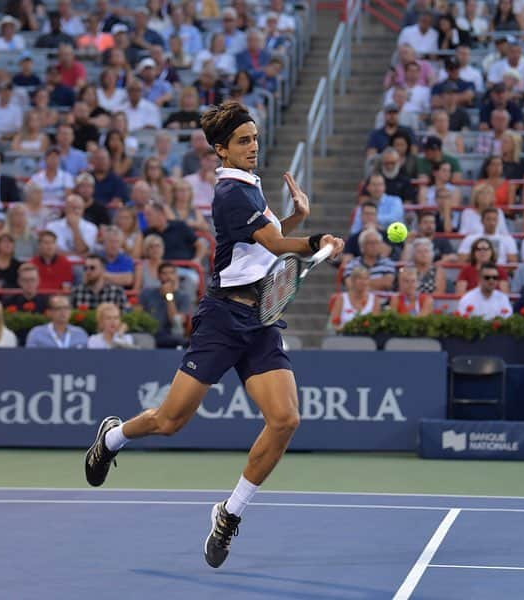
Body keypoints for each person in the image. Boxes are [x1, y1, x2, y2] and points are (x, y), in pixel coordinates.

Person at [84, 102, 345, 569]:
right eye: (243, 141)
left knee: (285, 420)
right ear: (221, 149)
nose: (253, 147)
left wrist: (298, 221)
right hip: (224, 318)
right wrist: (317, 240)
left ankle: (229, 514)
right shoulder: (230, 193)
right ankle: (114, 437)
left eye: (255, 139)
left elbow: (262, 244)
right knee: (170, 421)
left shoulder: (250, 188)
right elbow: (273, 244)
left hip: (261, 319)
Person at [137, 261, 191, 348]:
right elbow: (138, 315)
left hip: (170, 334)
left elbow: (176, 322)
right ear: (158, 276)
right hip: (149, 333)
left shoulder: (184, 297)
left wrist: (168, 296)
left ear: (176, 276)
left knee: (181, 341)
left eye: (172, 273)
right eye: (164, 273)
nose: (168, 276)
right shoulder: (146, 293)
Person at [330, 266, 380, 331]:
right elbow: (334, 325)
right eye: (359, 278)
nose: (363, 282)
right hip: (344, 336)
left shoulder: (374, 299)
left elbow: (375, 325)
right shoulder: (341, 299)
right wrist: (345, 328)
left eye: (366, 279)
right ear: (352, 280)